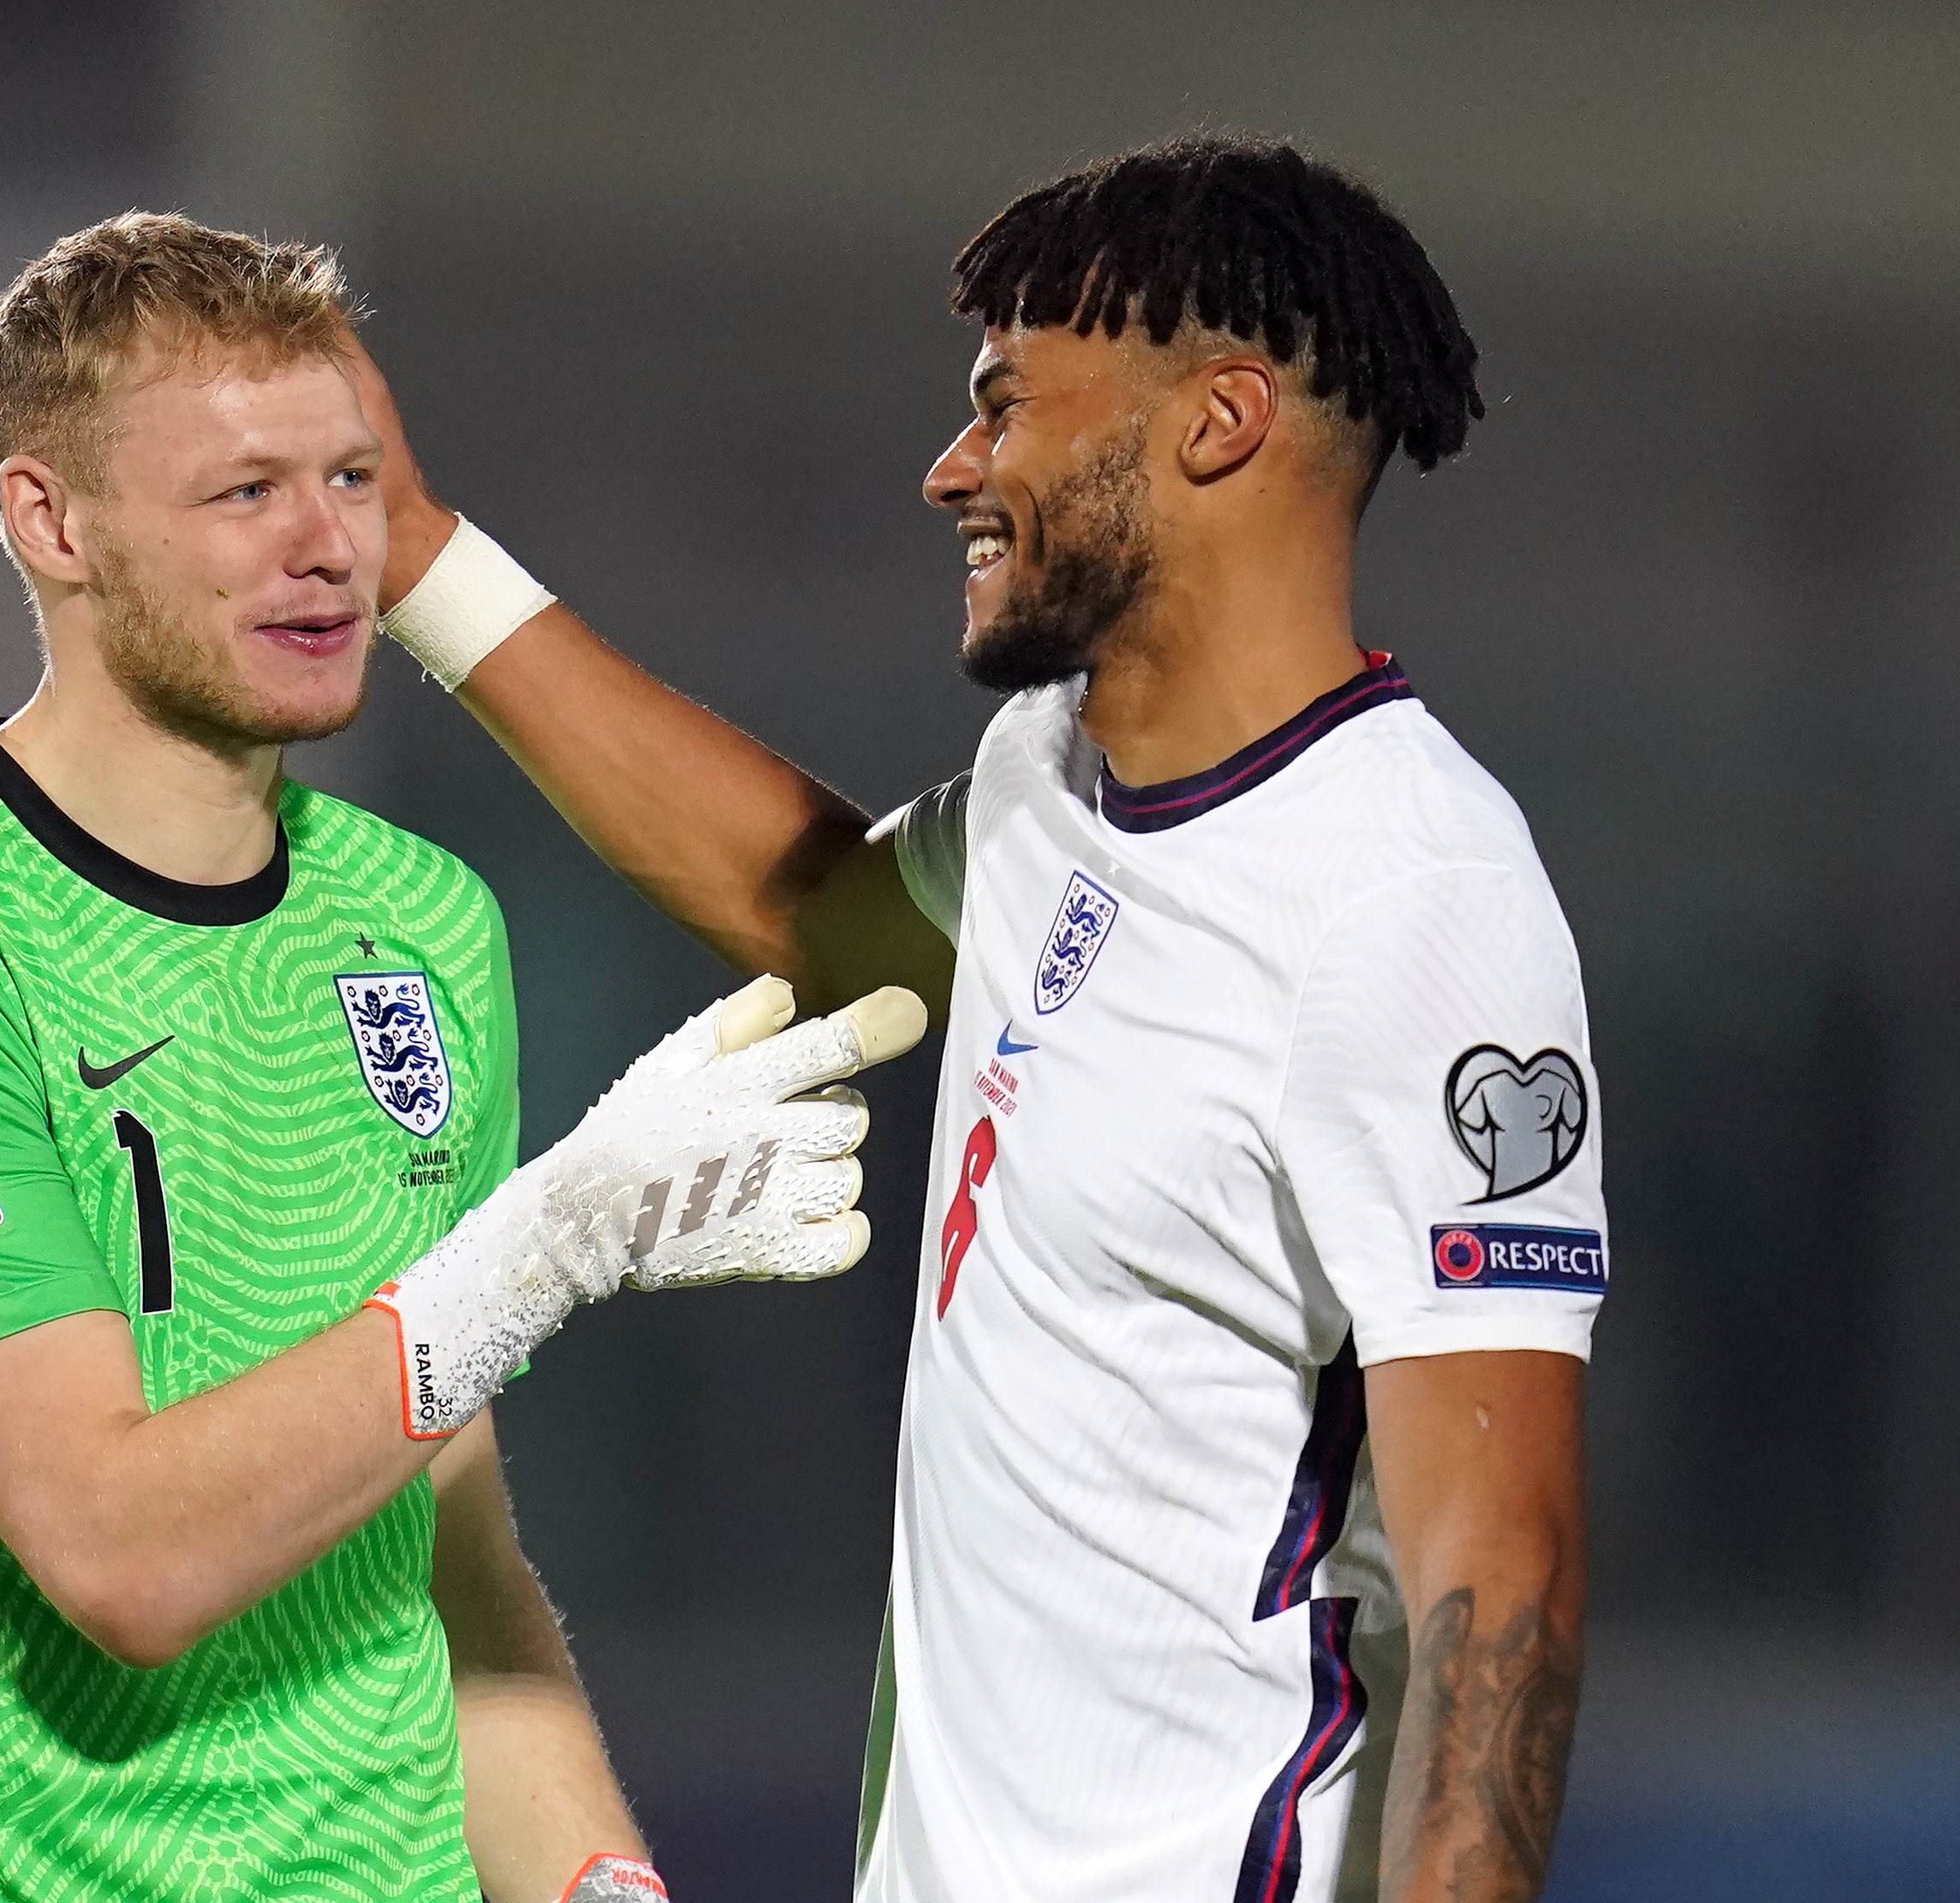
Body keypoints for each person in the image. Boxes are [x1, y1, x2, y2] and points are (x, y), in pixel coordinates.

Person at [356, 137, 1605, 1903]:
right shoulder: (1049, 777)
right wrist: (418, 559)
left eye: (1005, 404)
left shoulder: (1409, 898)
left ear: (1217, 421)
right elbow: (810, 911)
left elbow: (1506, 1575)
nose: (953, 467)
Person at [0, 214, 923, 1903]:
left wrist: (596, 1884)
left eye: (353, 481)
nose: (327, 548)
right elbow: (117, 1550)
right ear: (47, 519)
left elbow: (442, 1548)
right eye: (241, 493)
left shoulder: (421, 924)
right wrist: (545, 1242)